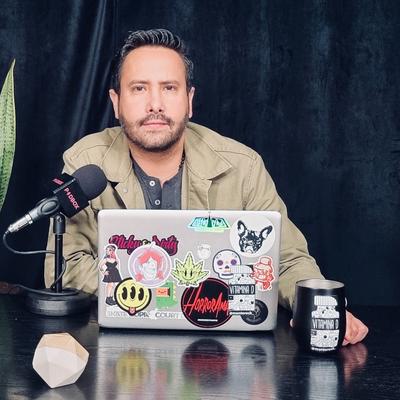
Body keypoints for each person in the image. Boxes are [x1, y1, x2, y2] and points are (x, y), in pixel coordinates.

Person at [44, 29, 367, 345]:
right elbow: (64, 266)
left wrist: (318, 307)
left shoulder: (242, 166)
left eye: (169, 88)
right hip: (119, 343)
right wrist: (160, 289)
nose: (155, 104)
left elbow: (286, 259)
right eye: (139, 88)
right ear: (116, 102)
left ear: (189, 100)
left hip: (220, 346)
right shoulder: (86, 162)